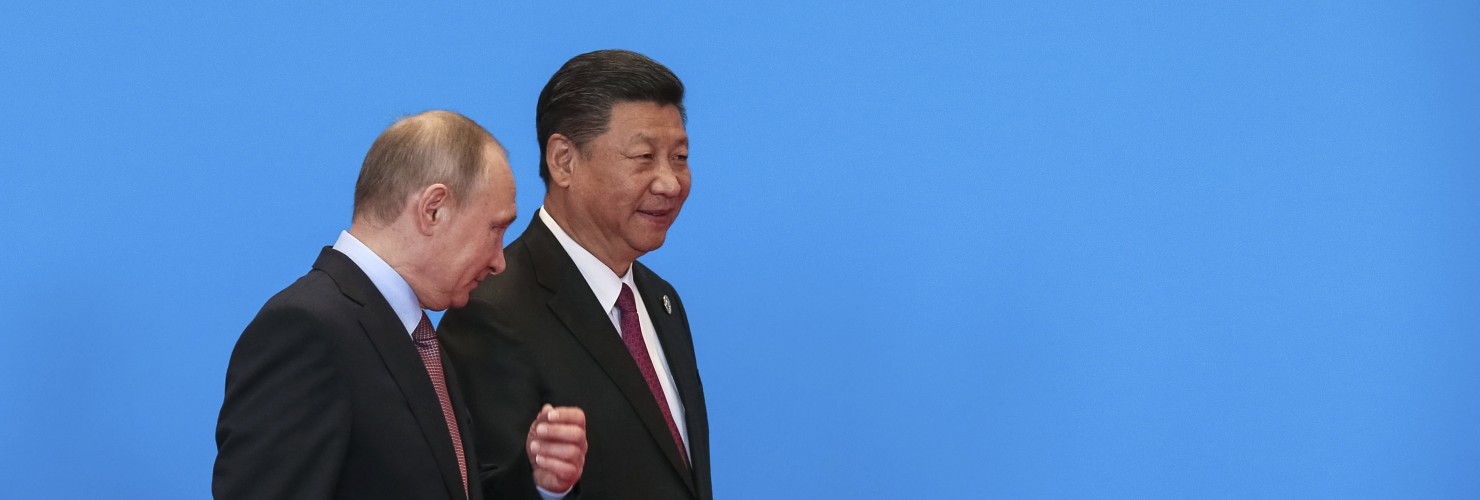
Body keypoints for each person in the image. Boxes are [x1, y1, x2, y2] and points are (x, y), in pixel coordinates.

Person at [213, 110, 587, 499]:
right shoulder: (305, 329)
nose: (499, 261)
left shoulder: (416, 335)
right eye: (495, 229)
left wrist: (541, 484)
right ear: (433, 209)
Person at [440, 50, 711, 500]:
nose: (670, 182)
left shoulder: (661, 300)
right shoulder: (492, 311)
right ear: (563, 160)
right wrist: (548, 490)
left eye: (679, 157)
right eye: (644, 156)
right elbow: (482, 488)